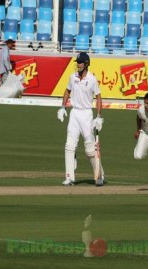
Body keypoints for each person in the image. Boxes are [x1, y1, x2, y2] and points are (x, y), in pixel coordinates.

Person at [57, 52, 104, 186]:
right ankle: (69, 177)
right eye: (77, 62)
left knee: (90, 149)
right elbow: (67, 91)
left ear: (87, 64)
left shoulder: (92, 79)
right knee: (69, 145)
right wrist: (62, 108)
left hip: (87, 114)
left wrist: (99, 116)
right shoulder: (72, 77)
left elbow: (99, 97)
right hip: (74, 113)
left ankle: (99, 175)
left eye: (80, 62)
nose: (78, 65)